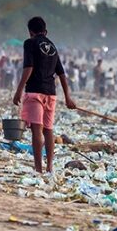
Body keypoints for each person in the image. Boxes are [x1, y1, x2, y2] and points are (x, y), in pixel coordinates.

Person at [13, 16, 77, 173]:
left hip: (35, 91)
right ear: (45, 31)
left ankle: (38, 168)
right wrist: (68, 97)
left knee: (36, 130)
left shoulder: (30, 43)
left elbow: (28, 68)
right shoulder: (53, 47)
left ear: (30, 32)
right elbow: (62, 74)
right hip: (51, 94)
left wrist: (19, 90)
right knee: (48, 130)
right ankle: (49, 166)